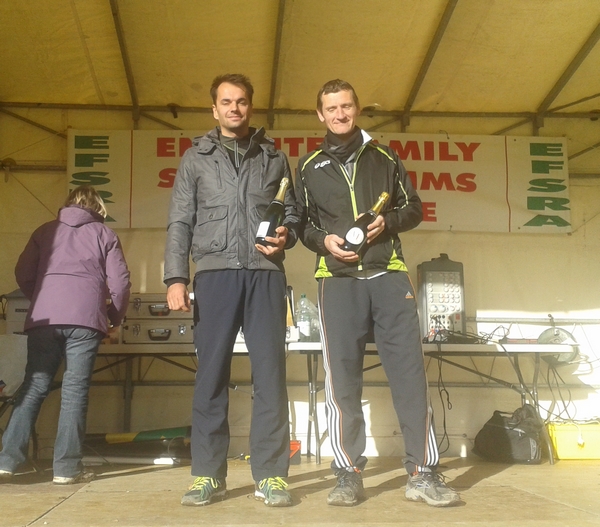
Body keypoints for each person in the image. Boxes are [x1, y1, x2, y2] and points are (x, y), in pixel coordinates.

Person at [294, 79, 461, 507]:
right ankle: (347, 473)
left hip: (389, 275)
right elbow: (302, 224)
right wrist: (322, 242)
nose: (340, 114)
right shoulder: (309, 165)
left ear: (357, 109)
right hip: (337, 281)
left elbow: (414, 208)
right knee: (342, 383)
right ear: (320, 115)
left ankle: (423, 472)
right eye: (331, 108)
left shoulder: (385, 156)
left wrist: (388, 224)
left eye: (346, 106)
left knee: (409, 377)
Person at [164, 73, 299, 507]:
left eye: (241, 102)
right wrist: (176, 277)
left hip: (265, 274)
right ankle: (207, 474)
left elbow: (292, 213)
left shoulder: (273, 157)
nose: (234, 109)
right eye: (226, 102)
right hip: (215, 275)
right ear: (214, 109)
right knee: (210, 377)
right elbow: (180, 221)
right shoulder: (195, 159)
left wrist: (287, 235)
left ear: (250, 107)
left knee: (271, 377)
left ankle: (272, 475)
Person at [0, 185, 131, 484]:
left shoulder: (44, 231)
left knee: (34, 387)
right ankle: (67, 469)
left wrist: (43, 296)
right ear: (98, 207)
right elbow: (120, 284)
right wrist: (112, 317)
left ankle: (7, 461)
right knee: (74, 392)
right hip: (86, 320)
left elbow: (22, 272)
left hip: (45, 317)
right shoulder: (105, 235)